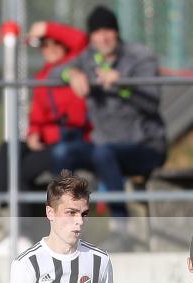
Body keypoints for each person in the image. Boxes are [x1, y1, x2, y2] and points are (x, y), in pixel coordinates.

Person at [50, 5, 167, 251]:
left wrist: (123, 85)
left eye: (109, 31)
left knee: (104, 153)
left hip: (145, 146)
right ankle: (65, 225)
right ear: (91, 37)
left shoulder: (139, 57)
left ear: (117, 32)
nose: (103, 37)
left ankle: (121, 229)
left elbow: (152, 101)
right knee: (63, 153)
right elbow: (55, 72)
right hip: (103, 145)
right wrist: (71, 74)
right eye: (98, 32)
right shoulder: (88, 57)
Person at [0, 20, 91, 256]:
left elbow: (80, 41)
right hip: (48, 142)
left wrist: (47, 28)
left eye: (51, 43)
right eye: (43, 45)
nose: (47, 49)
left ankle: (21, 233)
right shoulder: (43, 76)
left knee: (19, 170)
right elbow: (38, 117)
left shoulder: (76, 64)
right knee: (10, 147)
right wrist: (34, 133)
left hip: (69, 142)